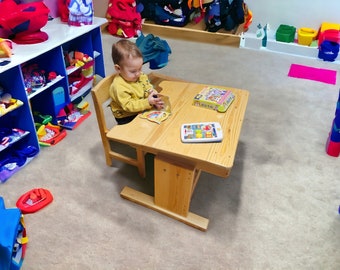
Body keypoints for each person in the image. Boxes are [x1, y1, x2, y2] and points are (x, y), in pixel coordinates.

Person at [109, 39, 164, 125]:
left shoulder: (139, 75)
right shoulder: (119, 86)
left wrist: (151, 93)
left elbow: (146, 85)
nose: (138, 73)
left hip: (142, 107)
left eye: (140, 68)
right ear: (118, 69)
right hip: (127, 116)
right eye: (133, 71)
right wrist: (148, 102)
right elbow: (128, 106)